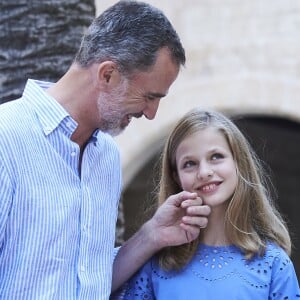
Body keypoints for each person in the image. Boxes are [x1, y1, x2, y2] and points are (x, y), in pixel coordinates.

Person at [0, 1, 211, 299]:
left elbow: (90, 279)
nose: (151, 113)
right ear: (108, 74)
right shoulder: (5, 138)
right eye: (149, 96)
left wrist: (152, 234)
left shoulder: (107, 157)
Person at [111, 108, 300, 299]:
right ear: (176, 177)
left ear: (238, 162)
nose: (204, 172)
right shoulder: (156, 265)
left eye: (216, 157)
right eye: (189, 163)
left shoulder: (273, 264)